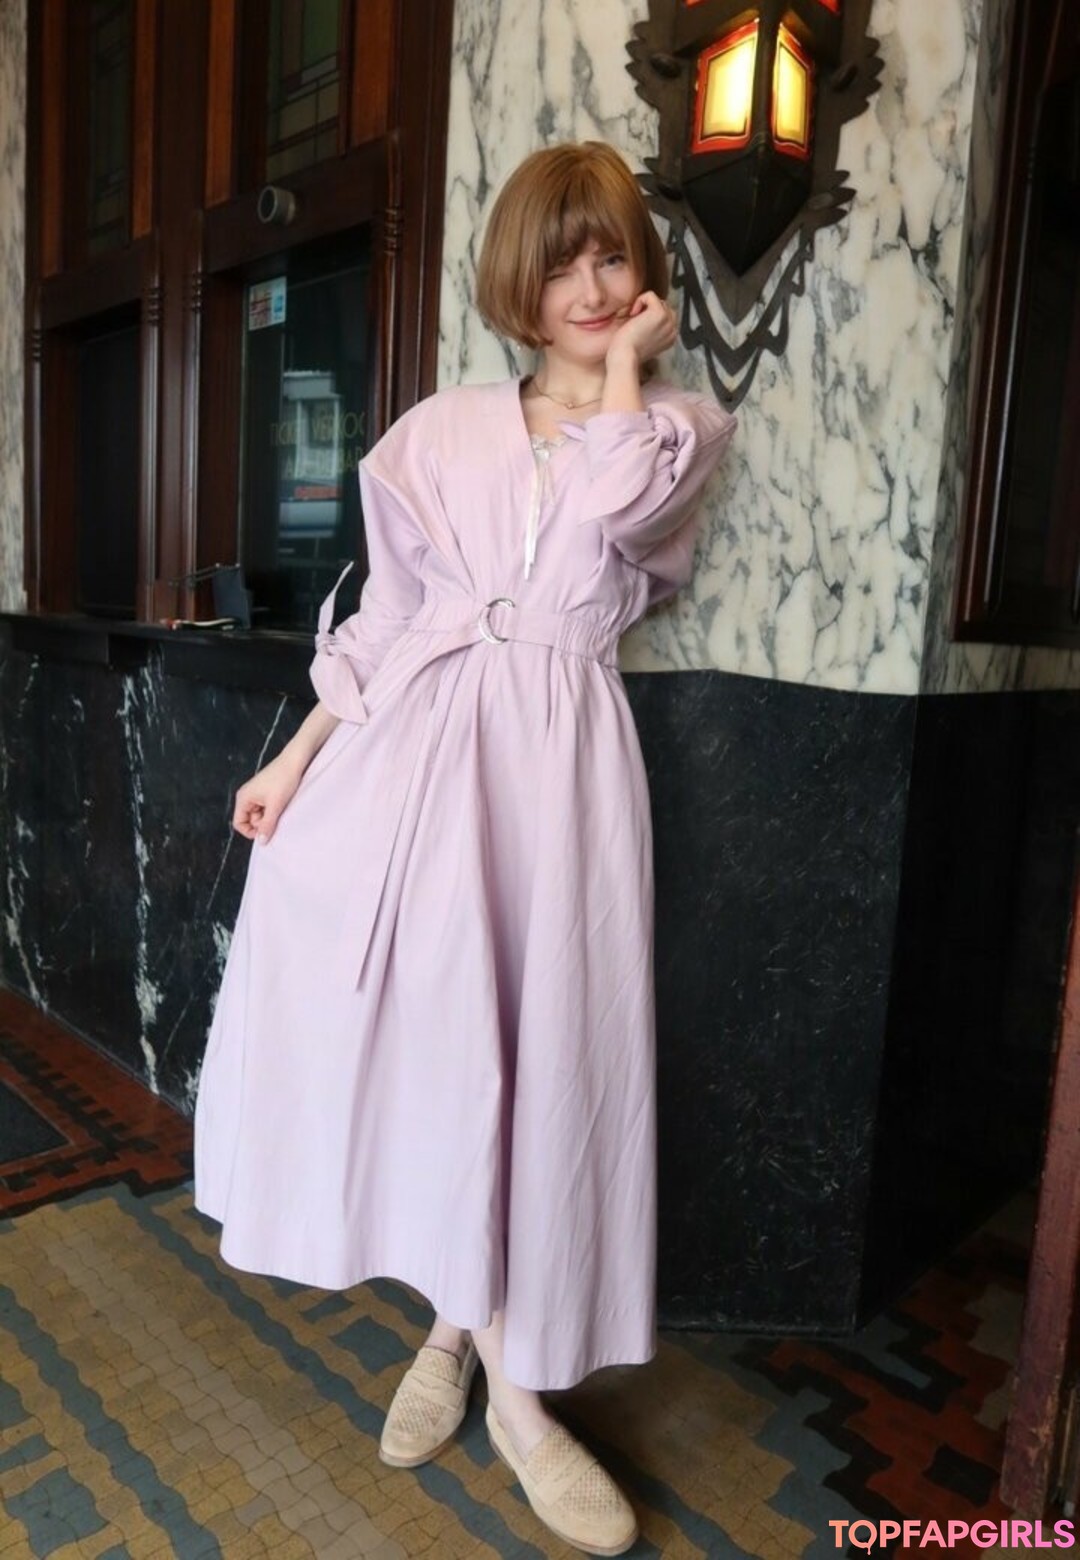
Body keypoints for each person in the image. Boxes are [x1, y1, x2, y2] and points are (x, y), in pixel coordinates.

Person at [194, 140, 736, 1556]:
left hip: (559, 772)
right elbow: (391, 614)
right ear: (516, 278)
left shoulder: (675, 428)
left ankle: (464, 1347)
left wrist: (627, 373)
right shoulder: (438, 432)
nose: (589, 287)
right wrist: (295, 759)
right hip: (419, 762)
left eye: (612, 256)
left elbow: (616, 517)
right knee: (444, 1055)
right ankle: (516, 1401)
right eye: (561, 262)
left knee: (537, 1055)